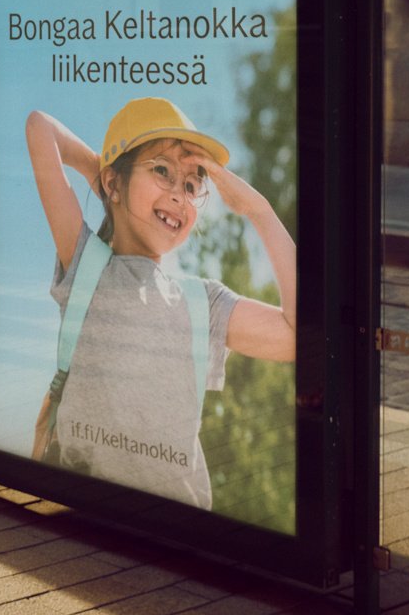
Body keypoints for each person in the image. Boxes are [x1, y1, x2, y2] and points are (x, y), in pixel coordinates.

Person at [24, 98, 296, 509]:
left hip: (181, 528)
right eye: (162, 172)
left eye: (191, 185)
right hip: (85, 517)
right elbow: (40, 127)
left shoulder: (203, 302)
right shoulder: (87, 266)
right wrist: (103, 177)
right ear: (114, 183)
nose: (179, 195)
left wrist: (259, 210)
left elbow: (302, 337)